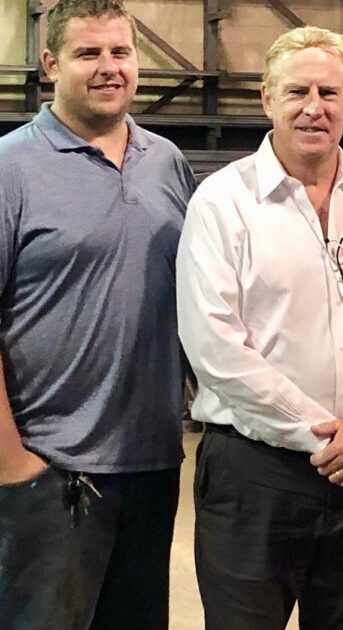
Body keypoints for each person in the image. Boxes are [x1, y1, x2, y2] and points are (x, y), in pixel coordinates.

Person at [176, 25, 343, 630]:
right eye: (297, 91)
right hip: (255, 476)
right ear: (267, 99)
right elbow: (215, 346)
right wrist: (324, 435)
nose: (313, 107)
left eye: (330, 92)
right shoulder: (223, 202)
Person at [0, 1, 195, 629]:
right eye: (89, 53)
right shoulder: (10, 167)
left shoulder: (166, 161)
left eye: (120, 52)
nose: (109, 68)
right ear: (51, 64)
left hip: (152, 462)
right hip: (48, 471)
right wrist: (14, 465)